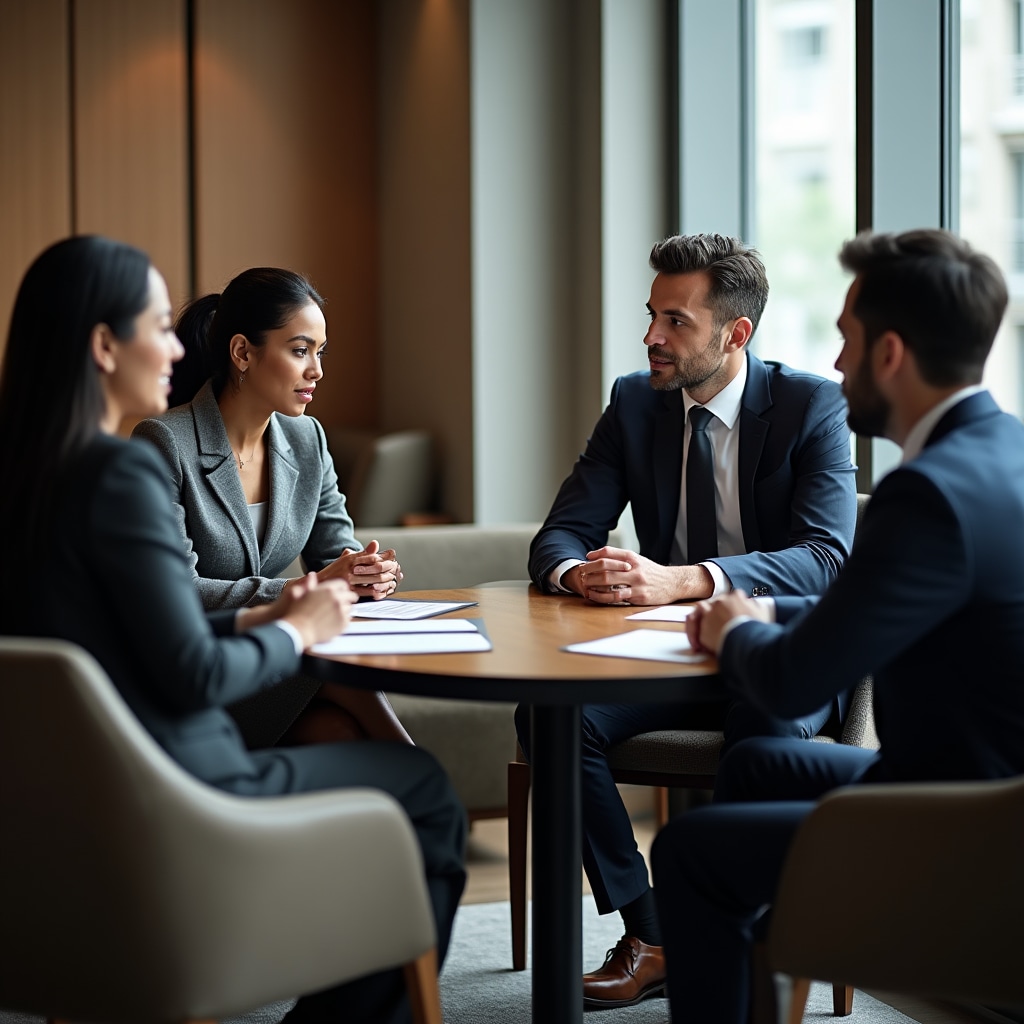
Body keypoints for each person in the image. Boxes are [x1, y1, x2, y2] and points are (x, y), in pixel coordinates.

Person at [0, 236, 466, 1024]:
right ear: (104, 345)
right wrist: (301, 620)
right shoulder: (129, 469)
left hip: (80, 800)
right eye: (160, 323)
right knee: (425, 795)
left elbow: (146, 629)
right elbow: (192, 674)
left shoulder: (28, 478)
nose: (182, 345)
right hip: (185, 783)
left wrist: (282, 607)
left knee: (355, 751)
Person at [651, 227, 1024, 1024]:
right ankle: (788, 964)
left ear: (891, 353)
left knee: (686, 853)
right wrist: (764, 612)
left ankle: (833, 932)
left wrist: (733, 632)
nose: (840, 363)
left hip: (964, 832)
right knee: (757, 770)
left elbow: (793, 678)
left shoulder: (925, 493)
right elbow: (885, 611)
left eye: (848, 341)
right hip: (989, 790)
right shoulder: (1006, 455)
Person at [517, 232, 857, 1009]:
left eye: (676, 322)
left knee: (762, 736)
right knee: (550, 715)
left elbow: (826, 558)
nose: (651, 338)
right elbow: (559, 535)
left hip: (779, 656)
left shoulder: (811, 407)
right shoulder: (635, 402)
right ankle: (656, 931)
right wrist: (584, 572)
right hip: (664, 657)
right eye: (651, 316)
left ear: (736, 334)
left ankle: (750, 940)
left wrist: (687, 580)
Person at [133, 269, 410, 748]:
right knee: (339, 677)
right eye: (301, 350)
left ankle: (416, 799)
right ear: (242, 352)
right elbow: (179, 593)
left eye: (320, 352)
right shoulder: (164, 442)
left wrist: (364, 571)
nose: (317, 371)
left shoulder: (308, 438)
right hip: (205, 670)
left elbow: (334, 551)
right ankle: (428, 788)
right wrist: (309, 588)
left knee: (337, 734)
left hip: (275, 660)